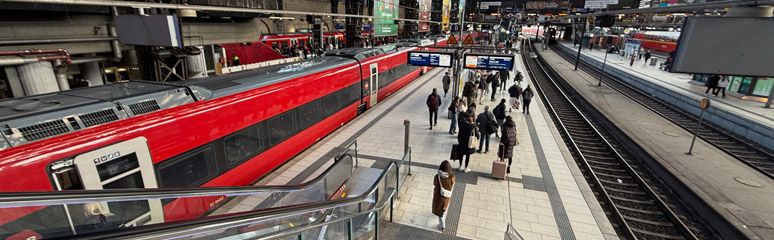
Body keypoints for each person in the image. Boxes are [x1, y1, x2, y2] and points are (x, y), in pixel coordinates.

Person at [432, 160, 455, 232]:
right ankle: (444, 209)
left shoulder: (437, 176)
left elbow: (435, 184)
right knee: (443, 207)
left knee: (440, 212)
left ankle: (442, 226)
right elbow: (452, 183)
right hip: (447, 195)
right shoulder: (452, 176)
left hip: (439, 196)